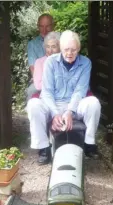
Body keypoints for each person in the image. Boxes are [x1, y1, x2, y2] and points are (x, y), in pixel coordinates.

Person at [27, 30, 101, 165]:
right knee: (33, 105)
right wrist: (55, 113)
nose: (69, 53)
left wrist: (69, 111)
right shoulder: (50, 62)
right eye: (66, 49)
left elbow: (80, 90)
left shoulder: (85, 63)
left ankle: (88, 144)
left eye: (73, 50)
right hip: (53, 104)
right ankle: (43, 148)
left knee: (93, 103)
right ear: (61, 48)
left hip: (75, 104)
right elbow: (47, 91)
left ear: (78, 49)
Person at [26, 14, 55, 100]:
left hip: (61, 78)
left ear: (53, 25)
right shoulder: (32, 44)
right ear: (38, 26)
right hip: (41, 80)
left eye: (47, 26)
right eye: (41, 26)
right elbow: (33, 68)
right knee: (31, 91)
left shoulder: (61, 39)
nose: (44, 30)